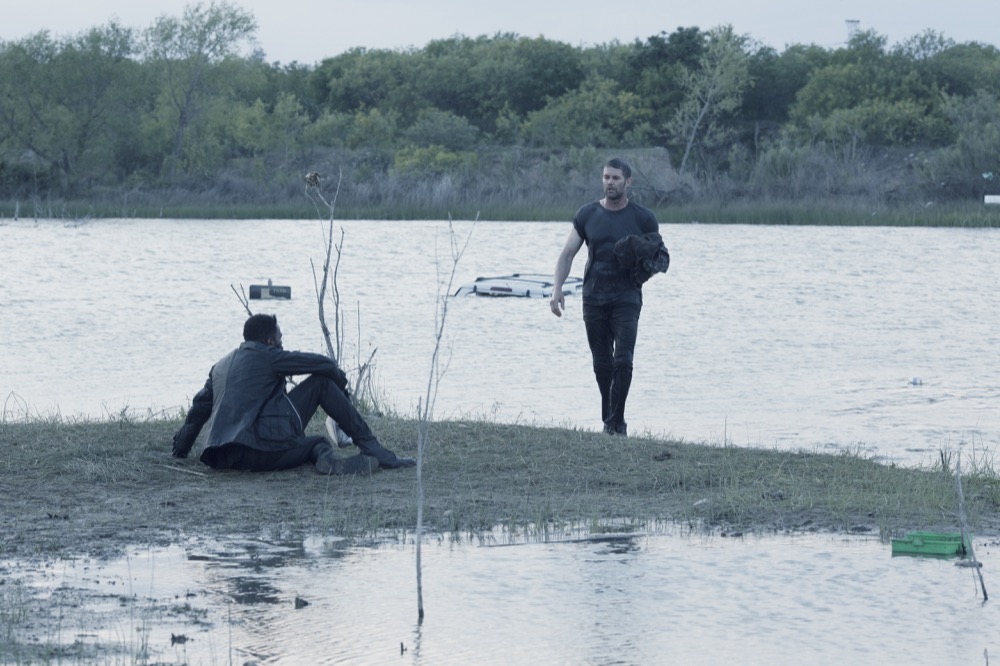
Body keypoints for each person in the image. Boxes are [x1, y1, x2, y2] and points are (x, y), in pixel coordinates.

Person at [171, 313, 415, 474]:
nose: (282, 344)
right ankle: (376, 452)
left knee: (314, 442)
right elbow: (325, 364)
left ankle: (323, 454)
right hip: (264, 451)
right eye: (280, 339)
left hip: (225, 457)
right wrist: (342, 387)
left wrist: (180, 450)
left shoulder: (220, 366)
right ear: (270, 341)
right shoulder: (268, 355)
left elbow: (197, 411)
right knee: (321, 387)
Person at [549, 157, 667, 437]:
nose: (609, 183)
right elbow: (567, 254)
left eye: (615, 178)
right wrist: (557, 288)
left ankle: (617, 423)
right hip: (593, 298)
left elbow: (658, 256)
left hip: (627, 297)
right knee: (602, 363)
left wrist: (645, 265)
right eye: (606, 177)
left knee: (623, 361)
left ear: (628, 182)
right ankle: (609, 420)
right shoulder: (587, 214)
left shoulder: (643, 218)